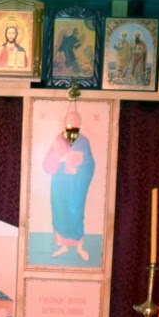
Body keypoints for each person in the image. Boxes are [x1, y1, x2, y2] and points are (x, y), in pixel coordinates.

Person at [42, 110, 96, 261]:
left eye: (76, 120)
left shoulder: (83, 141)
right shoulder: (58, 139)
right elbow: (48, 162)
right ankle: (63, 245)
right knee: (60, 210)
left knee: (76, 211)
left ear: (80, 123)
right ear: (65, 122)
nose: (73, 122)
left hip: (76, 184)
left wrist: (78, 166)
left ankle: (79, 247)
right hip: (60, 184)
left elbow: (90, 164)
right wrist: (60, 159)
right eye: (70, 119)